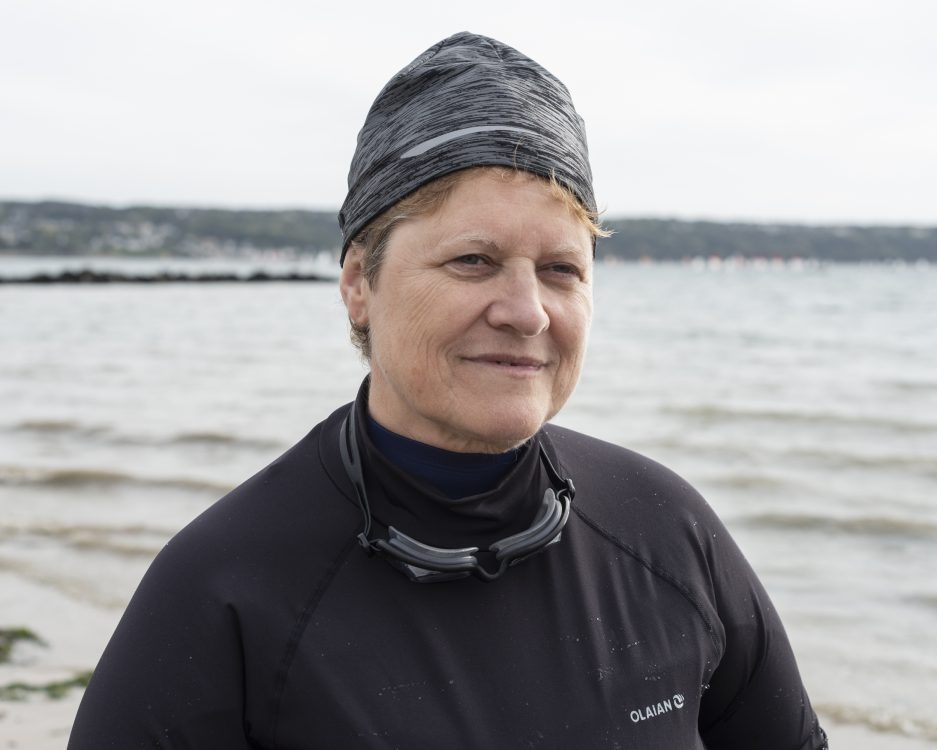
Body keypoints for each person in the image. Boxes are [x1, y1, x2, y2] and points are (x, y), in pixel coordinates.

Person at [68, 32, 828, 749]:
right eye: (473, 260)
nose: (527, 312)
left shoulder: (666, 532)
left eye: (561, 269)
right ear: (359, 283)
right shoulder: (223, 589)